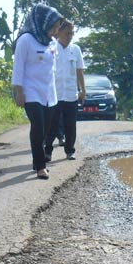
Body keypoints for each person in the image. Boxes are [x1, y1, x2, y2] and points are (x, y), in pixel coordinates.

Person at [12, 3, 64, 180]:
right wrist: (19, 92)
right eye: (54, 26)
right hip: (30, 90)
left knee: (46, 130)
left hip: (49, 93)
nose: (56, 31)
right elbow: (18, 67)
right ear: (43, 22)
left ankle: (37, 160)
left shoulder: (53, 43)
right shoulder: (25, 40)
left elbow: (53, 69)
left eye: (58, 27)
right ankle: (41, 167)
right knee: (38, 126)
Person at [46, 19, 85, 161]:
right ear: (59, 32)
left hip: (70, 93)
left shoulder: (75, 49)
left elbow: (79, 70)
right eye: (67, 33)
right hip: (54, 93)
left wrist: (83, 90)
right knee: (51, 125)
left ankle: (70, 151)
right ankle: (47, 151)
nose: (69, 37)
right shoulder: (51, 47)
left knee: (70, 125)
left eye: (72, 34)